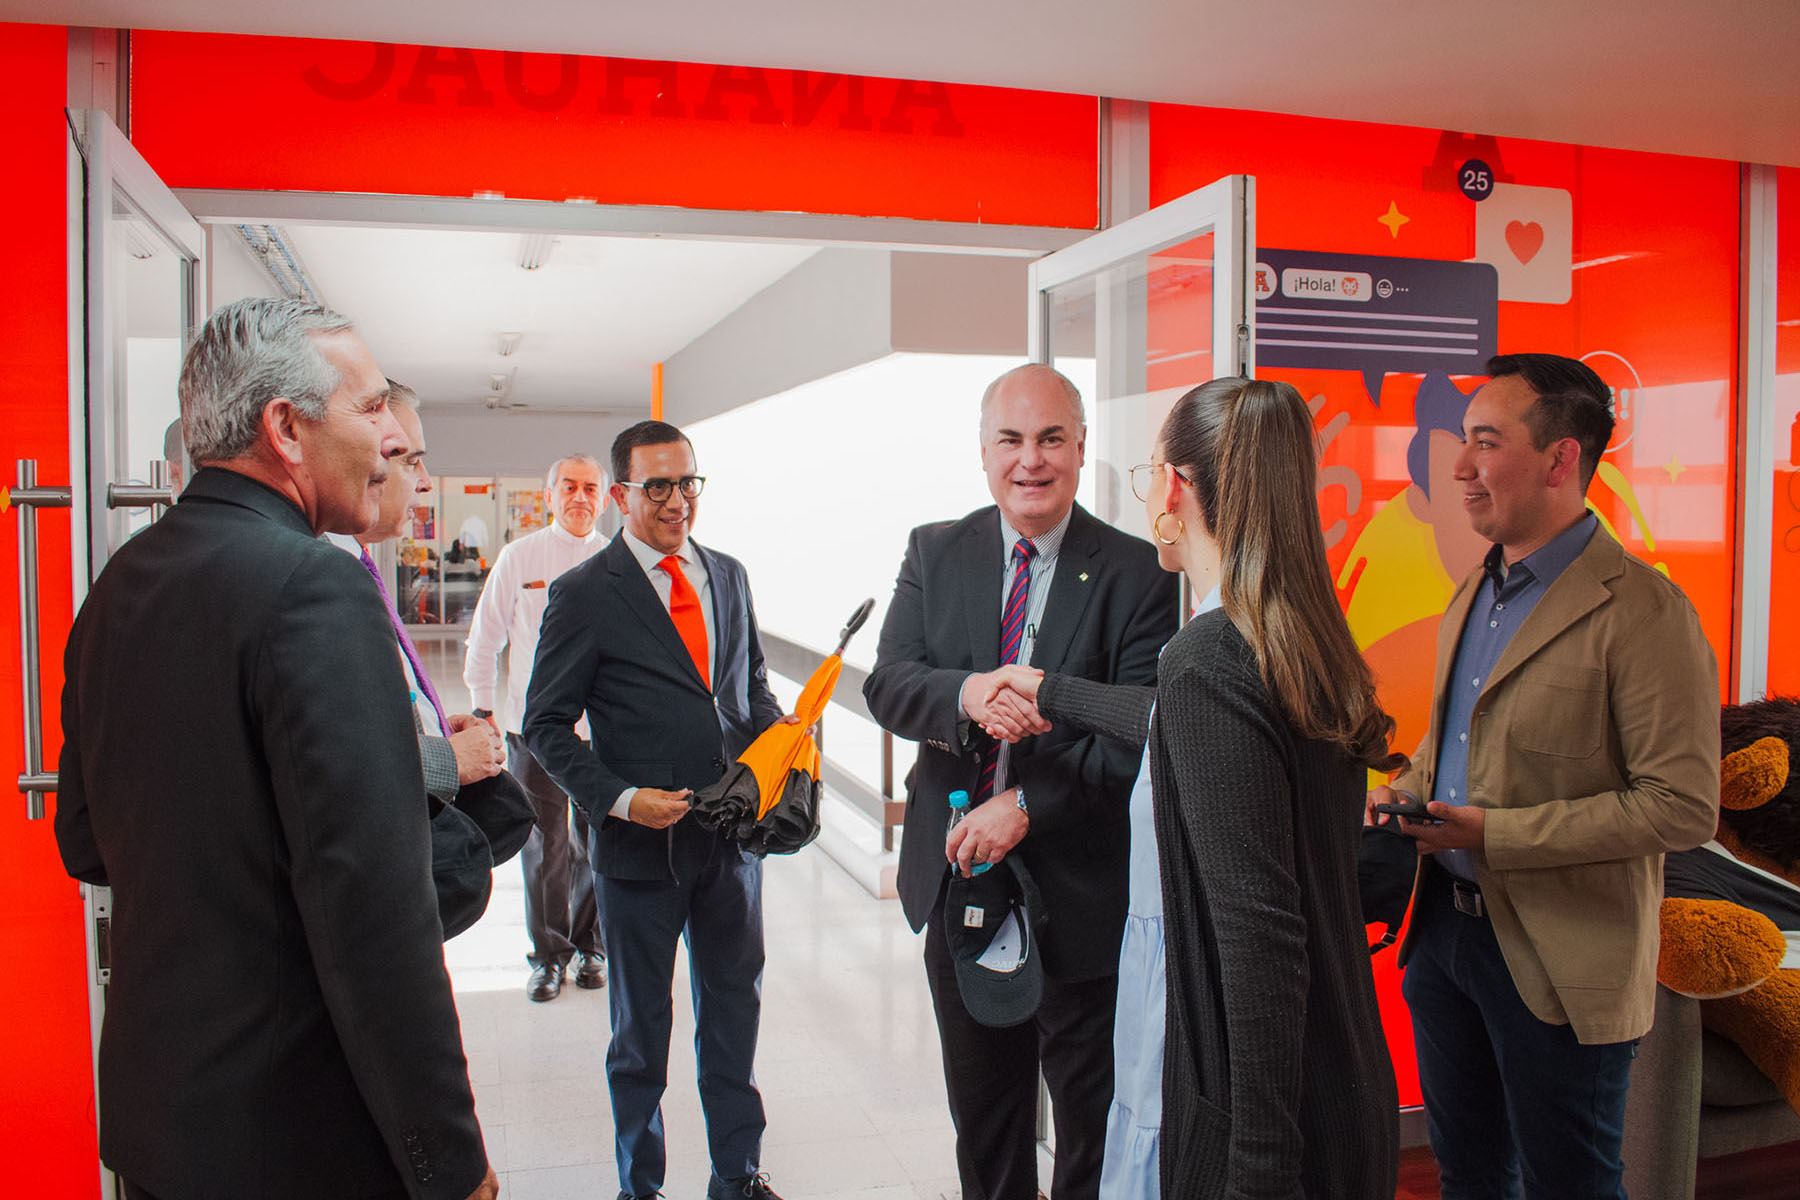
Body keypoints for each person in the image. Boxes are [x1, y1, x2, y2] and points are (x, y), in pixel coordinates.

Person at [53, 298, 497, 1200]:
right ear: (286, 429)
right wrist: (449, 1164)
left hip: (163, 1123)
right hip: (294, 1139)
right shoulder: (314, 588)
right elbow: (378, 918)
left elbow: (86, 839)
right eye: (370, 408)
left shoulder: (122, 584)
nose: (389, 439)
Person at [985, 376, 1403, 1200]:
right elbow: (1199, 730)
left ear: (1176, 486)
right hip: (1340, 1069)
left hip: (1255, 1111)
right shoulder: (1288, 632)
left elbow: (1259, 937)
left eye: (1149, 476)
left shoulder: (1211, 655)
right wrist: (1053, 690)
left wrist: (1258, 1168)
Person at [1367, 353, 1720, 1198]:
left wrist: (1496, 834)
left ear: (1562, 460)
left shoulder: (1646, 613)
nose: (1460, 466)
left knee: (1572, 1184)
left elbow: (1682, 806)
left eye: (1486, 442)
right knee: (1471, 1176)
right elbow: (1453, 745)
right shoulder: (1477, 589)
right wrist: (1399, 787)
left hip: (1563, 961)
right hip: (1445, 940)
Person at [863, 363, 1178, 1200]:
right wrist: (966, 693)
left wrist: (1029, 805)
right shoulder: (936, 551)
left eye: (1050, 439)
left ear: (1081, 448)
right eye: (1011, 440)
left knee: (1089, 1127)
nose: (1030, 460)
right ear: (983, 451)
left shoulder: (1139, 571)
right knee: (987, 1126)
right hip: (963, 887)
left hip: (1079, 896)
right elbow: (888, 682)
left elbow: (1139, 734)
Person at [523, 420, 797, 1200]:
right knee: (640, 1037)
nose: (678, 502)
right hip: (640, 854)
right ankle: (639, 1186)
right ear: (621, 495)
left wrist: (785, 745)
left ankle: (737, 1176)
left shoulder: (730, 576)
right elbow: (545, 724)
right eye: (659, 487)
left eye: (689, 484)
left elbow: (746, 694)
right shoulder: (584, 594)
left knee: (733, 1018)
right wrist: (617, 798)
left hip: (732, 848)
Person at [464, 453, 610, 1001]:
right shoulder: (520, 557)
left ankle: (592, 945)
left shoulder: (616, 562)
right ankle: (549, 956)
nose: (579, 497)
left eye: (589, 488)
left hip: (601, 734)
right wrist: (482, 710)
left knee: (597, 842)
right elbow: (486, 638)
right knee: (544, 845)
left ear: (605, 498)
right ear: (549, 496)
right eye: (568, 487)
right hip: (537, 733)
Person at [323, 381, 506, 806]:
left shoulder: (352, 567)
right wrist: (444, 758)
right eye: (411, 462)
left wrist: (433, 726)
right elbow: (335, 756)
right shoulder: (321, 581)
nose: (424, 483)